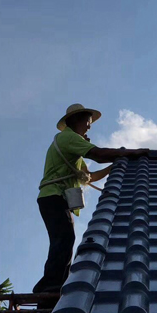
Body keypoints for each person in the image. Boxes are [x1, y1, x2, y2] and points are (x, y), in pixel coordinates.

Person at [35, 103, 148, 301]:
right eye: (88, 122)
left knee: (65, 239)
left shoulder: (73, 148)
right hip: (53, 196)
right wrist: (129, 152)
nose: (89, 127)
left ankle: (55, 285)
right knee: (64, 239)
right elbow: (98, 154)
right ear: (76, 120)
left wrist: (115, 165)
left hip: (54, 198)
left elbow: (91, 177)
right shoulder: (69, 138)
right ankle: (49, 287)